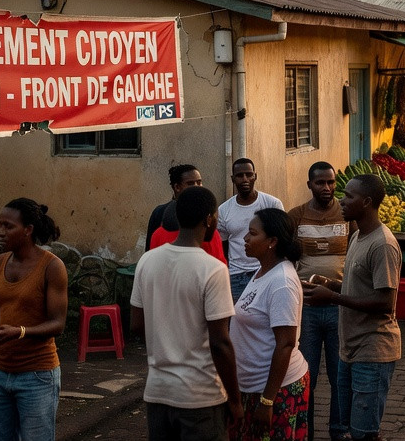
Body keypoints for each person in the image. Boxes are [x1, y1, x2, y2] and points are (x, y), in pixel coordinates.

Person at [132, 186, 241, 441]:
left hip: (158, 392)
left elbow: (136, 324)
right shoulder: (213, 269)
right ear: (209, 220)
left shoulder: (147, 261)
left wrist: (166, 342)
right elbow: (220, 342)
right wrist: (235, 400)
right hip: (200, 397)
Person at [302, 174, 401, 441]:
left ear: (367, 202)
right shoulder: (357, 236)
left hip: (373, 350)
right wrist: (331, 285)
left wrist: (332, 298)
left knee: (364, 432)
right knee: (353, 429)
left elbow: (385, 303)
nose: (341, 201)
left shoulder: (382, 244)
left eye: (348, 196)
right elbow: (359, 287)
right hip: (351, 349)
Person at [0, 199, 68, 441]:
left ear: (28, 230)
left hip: (37, 376)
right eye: (0, 225)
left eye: (8, 226)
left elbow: (58, 324)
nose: (0, 232)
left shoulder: (52, 267)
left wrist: (19, 332)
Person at [230, 209, 310, 441]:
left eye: (253, 233)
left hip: (276, 391)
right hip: (252, 387)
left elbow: (285, 344)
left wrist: (267, 401)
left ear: (272, 241)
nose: (245, 239)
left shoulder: (282, 282)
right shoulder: (262, 271)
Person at [288, 161, 352, 440]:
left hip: (339, 306)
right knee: (307, 376)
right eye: (320, 183)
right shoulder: (296, 216)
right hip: (308, 310)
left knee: (340, 376)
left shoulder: (347, 214)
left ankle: (339, 430)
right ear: (309, 185)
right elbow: (285, 256)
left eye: (331, 182)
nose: (327, 187)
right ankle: (307, 432)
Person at [218, 159, 285, 300]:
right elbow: (223, 245)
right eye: (239, 175)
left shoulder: (272, 204)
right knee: (239, 314)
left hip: (267, 271)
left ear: (255, 176)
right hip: (237, 276)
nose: (245, 179)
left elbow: (282, 239)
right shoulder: (224, 210)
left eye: (249, 174)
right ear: (233, 179)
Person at [149, 165, 227, 263]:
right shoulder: (159, 215)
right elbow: (151, 255)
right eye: (190, 183)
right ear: (177, 187)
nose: (196, 186)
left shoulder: (210, 232)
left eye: (199, 182)